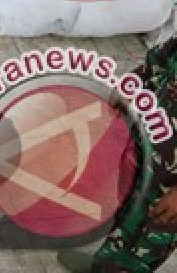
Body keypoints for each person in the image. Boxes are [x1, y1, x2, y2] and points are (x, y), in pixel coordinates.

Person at [61, 37, 177, 273]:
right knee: (125, 216)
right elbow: (158, 61)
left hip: (170, 191)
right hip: (146, 153)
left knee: (148, 240)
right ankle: (104, 264)